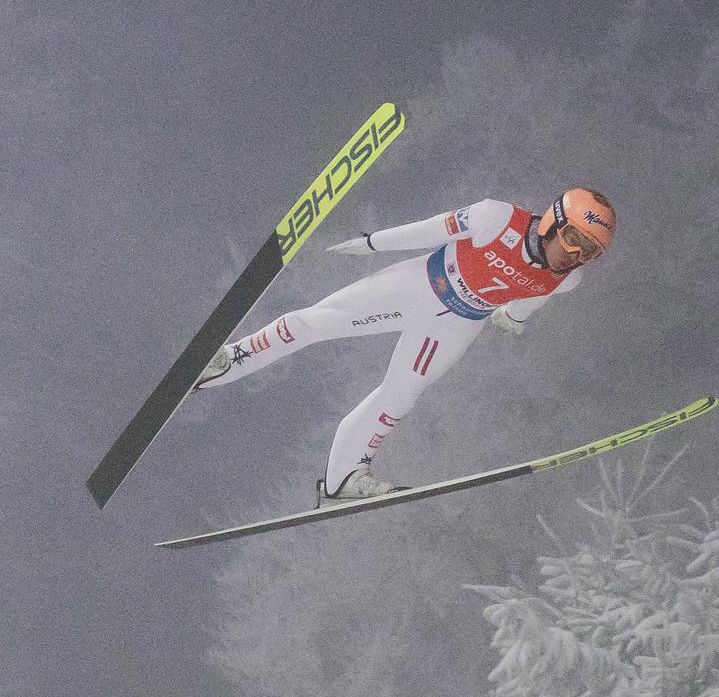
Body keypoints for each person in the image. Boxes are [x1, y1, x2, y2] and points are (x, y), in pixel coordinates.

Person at [193, 188, 616, 504]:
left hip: (455, 325)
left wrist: (514, 319)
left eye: (590, 252)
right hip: (419, 285)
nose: (575, 256)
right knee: (314, 323)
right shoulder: (497, 218)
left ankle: (344, 478)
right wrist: (373, 243)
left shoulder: (566, 279)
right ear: (552, 222)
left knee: (399, 398)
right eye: (574, 240)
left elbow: (529, 300)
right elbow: (431, 228)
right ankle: (228, 359)